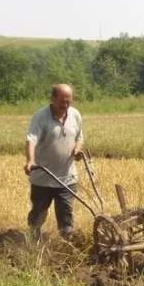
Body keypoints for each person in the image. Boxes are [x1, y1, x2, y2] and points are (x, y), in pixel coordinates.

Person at [24, 83, 84, 242]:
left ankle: (66, 245)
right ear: (52, 99)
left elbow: (79, 137)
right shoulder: (41, 117)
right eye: (62, 101)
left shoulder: (75, 115)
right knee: (38, 214)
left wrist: (77, 150)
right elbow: (31, 139)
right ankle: (32, 243)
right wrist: (30, 160)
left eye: (69, 101)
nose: (66, 105)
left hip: (67, 178)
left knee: (66, 216)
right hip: (43, 178)